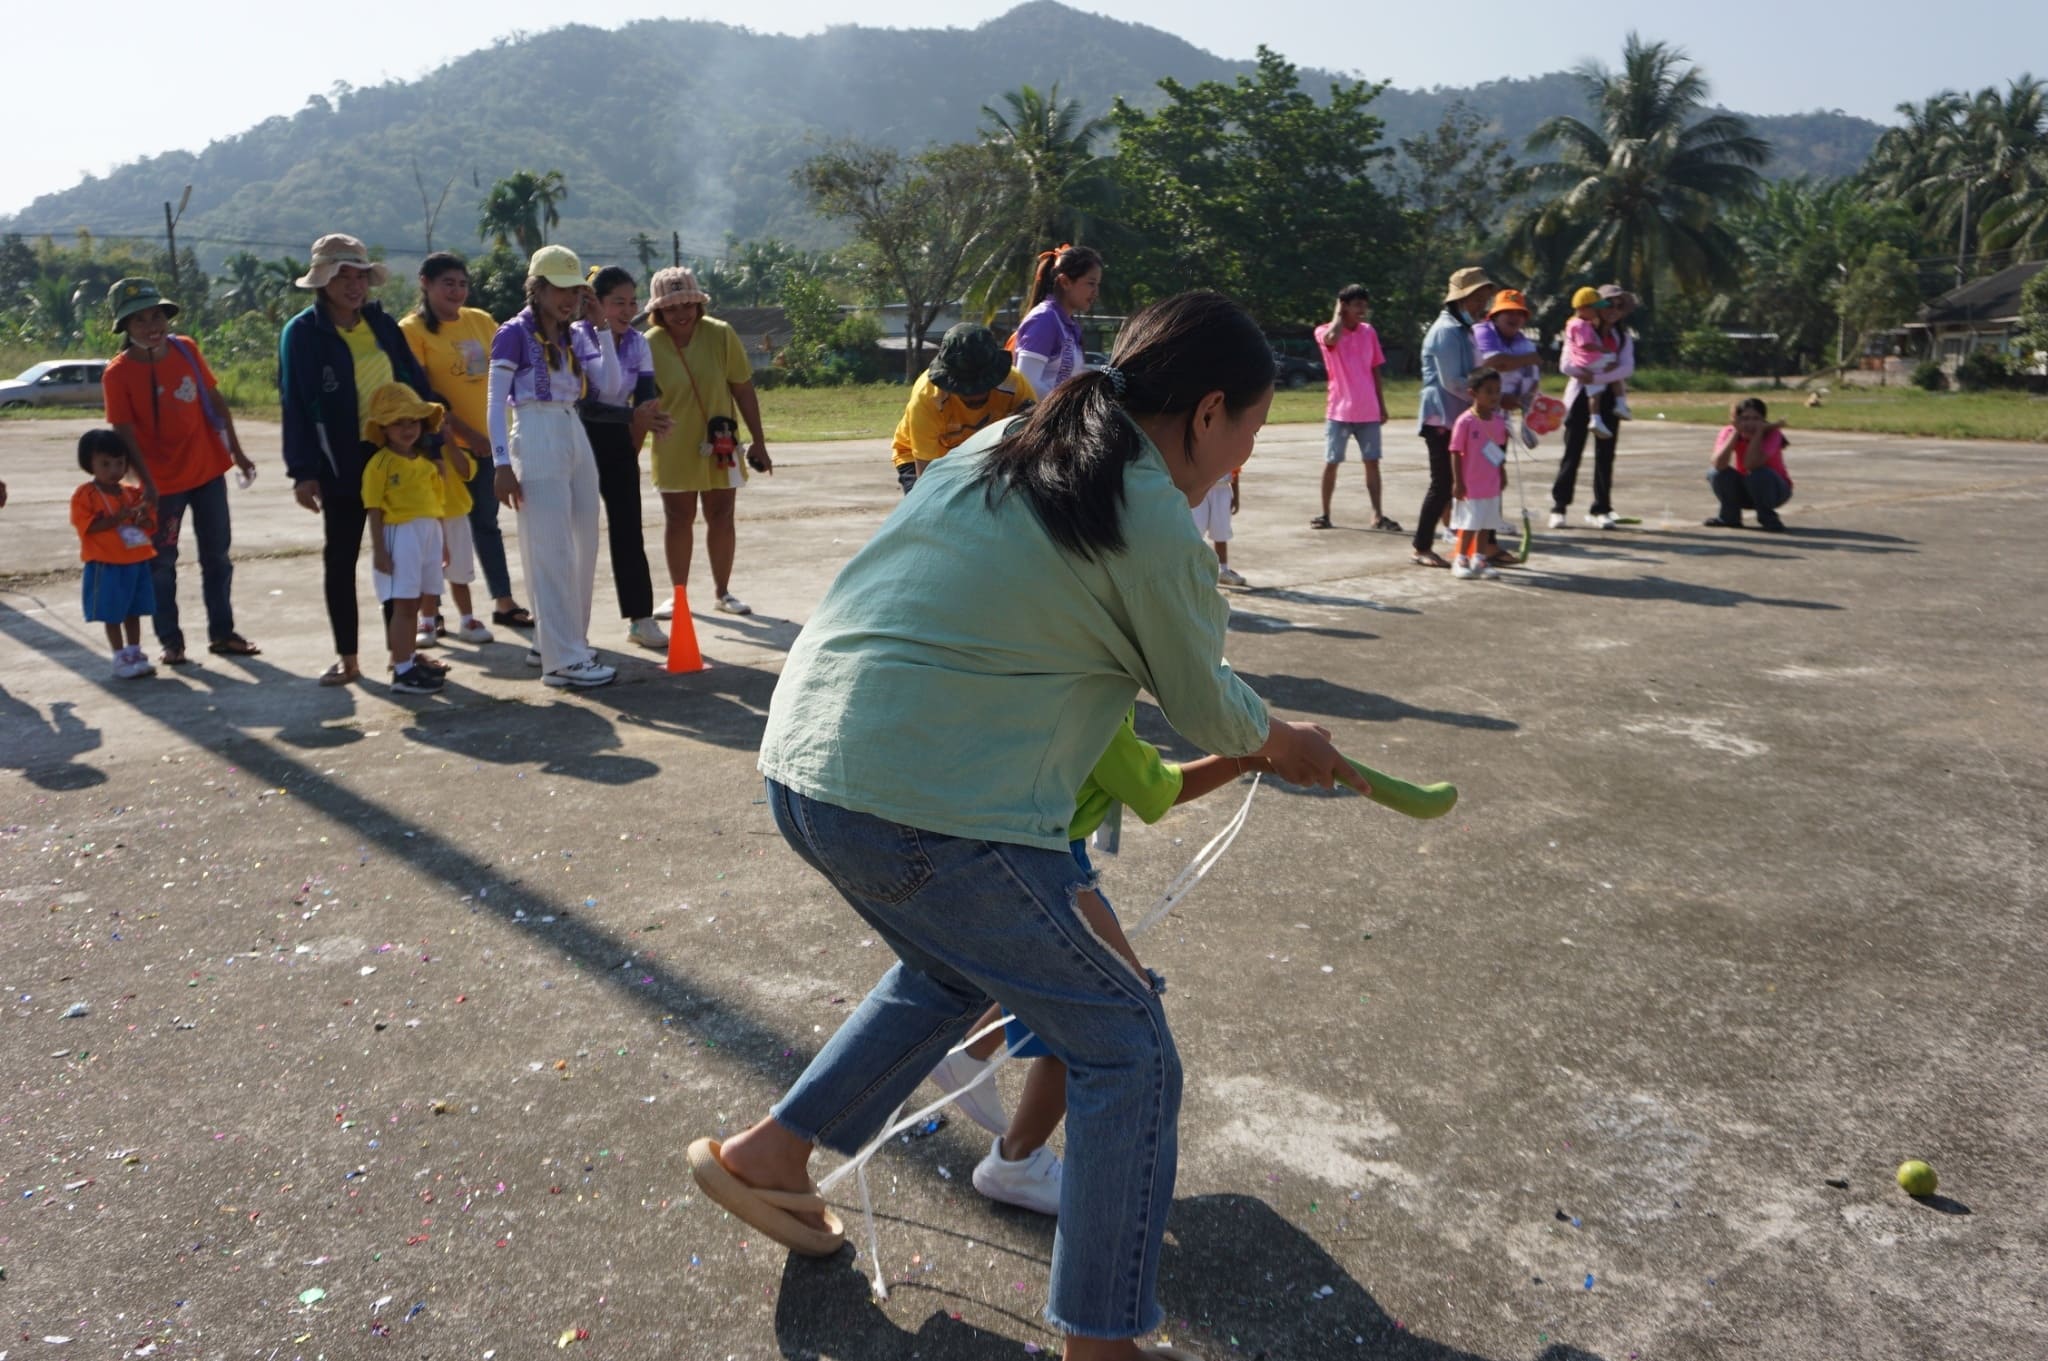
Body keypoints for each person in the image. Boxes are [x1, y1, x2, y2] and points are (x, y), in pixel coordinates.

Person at [685, 291, 1366, 1361]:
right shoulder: (1149, 515)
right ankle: (1100, 1339)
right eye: (1245, 435)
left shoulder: (1015, 436)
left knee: (954, 969)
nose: (1238, 460)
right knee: (1127, 1048)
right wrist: (1285, 742)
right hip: (922, 803)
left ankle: (771, 1152)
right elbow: (1204, 701)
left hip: (805, 766)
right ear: (1207, 413)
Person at [927, 711, 1272, 1216]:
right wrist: (1253, 755)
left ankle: (973, 1055)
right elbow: (1158, 789)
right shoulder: (1091, 692)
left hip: (1027, 841)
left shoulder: (1069, 661)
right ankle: (1016, 1159)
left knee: (1061, 977)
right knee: (1102, 1007)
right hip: (1045, 856)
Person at [281, 233, 447, 686]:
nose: (354, 286)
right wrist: (303, 471)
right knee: (342, 557)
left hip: (394, 454)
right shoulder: (302, 334)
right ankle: (348, 658)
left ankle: (403, 657)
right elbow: (295, 404)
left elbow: (413, 384)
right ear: (322, 281)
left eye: (360, 276)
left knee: (397, 560)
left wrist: (431, 442)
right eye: (343, 276)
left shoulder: (382, 325)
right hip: (340, 460)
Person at [101, 277, 260, 664]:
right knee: (161, 566)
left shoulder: (186, 349)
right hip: (161, 487)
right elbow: (123, 435)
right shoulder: (117, 374)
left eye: (157, 316)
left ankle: (223, 634)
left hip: (208, 473)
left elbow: (216, 403)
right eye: (140, 320)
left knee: (217, 558)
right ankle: (171, 642)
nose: (152, 326)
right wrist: (147, 484)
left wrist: (237, 452)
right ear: (125, 327)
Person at [487, 246, 617, 689]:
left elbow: (612, 384)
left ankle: (562, 643)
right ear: (537, 288)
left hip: (571, 427)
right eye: (558, 288)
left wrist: (600, 328)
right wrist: (501, 463)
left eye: (575, 290)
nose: (568, 299)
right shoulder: (512, 333)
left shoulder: (575, 334)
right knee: (551, 549)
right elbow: (493, 405)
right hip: (536, 428)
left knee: (584, 541)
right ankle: (562, 661)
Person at [399, 252, 530, 638]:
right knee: (437, 531)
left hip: (490, 446)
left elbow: (505, 374)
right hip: (440, 450)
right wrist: (464, 436)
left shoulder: (480, 321)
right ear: (425, 282)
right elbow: (425, 394)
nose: (456, 290)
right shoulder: (412, 330)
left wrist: (492, 436)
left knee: (486, 525)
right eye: (447, 283)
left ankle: (503, 602)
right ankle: (433, 613)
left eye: (461, 283)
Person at [643, 267, 772, 618]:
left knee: (721, 515)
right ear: (658, 312)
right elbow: (640, 401)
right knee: (677, 518)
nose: (681, 313)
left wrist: (758, 441)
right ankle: (678, 595)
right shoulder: (649, 344)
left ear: (698, 305)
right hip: (672, 444)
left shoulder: (720, 334)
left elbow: (742, 388)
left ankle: (723, 592)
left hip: (722, 444)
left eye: (687, 304)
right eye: (671, 308)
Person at [572, 265, 670, 650]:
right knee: (577, 535)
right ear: (594, 303)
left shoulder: (638, 342)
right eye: (618, 302)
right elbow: (584, 404)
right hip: (578, 437)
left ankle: (640, 618)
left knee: (629, 530)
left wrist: (650, 421)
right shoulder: (576, 338)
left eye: (632, 302)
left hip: (620, 439)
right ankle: (571, 628)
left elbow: (645, 395)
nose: (628, 310)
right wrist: (635, 415)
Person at [360, 384, 448, 695]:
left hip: (428, 534)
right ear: (383, 428)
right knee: (404, 605)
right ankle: (402, 670)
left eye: (412, 421)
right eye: (398, 422)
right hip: (401, 534)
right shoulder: (380, 464)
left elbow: (437, 507)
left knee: (421, 601)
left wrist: (443, 543)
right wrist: (380, 551)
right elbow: (373, 509)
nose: (407, 428)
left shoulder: (425, 465)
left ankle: (410, 660)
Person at [1412, 267, 1498, 568]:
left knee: (1478, 480)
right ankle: (1421, 546)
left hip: (1462, 417)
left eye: (1484, 299)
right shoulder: (1447, 331)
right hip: (1442, 419)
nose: (1481, 305)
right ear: (1460, 300)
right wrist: (1486, 401)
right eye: (1476, 299)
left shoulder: (1465, 329)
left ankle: (1484, 546)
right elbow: (1453, 381)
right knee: (1443, 483)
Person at [889, 323, 1036, 494]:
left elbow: (1032, 443)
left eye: (981, 386)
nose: (974, 395)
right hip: (923, 457)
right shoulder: (928, 398)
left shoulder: (1015, 386)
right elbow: (926, 478)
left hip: (985, 455)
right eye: (965, 388)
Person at [71, 429, 159, 680]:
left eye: (120, 463)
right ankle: (119, 656)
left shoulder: (130, 493)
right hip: (106, 562)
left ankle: (135, 652)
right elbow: (88, 527)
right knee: (112, 612)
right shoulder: (84, 496)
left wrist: (143, 518)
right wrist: (116, 519)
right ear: (90, 464)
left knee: (134, 610)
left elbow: (149, 525)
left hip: (135, 560)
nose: (114, 470)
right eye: (105, 464)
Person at [1550, 283, 1638, 530]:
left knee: (1605, 454)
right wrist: (1600, 374)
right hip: (1581, 398)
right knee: (1572, 452)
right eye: (1610, 303)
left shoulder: (1622, 337)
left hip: (1610, 398)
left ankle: (1601, 508)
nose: (1614, 309)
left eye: (1620, 306)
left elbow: (1626, 368)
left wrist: (1595, 377)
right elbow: (1566, 365)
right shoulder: (1579, 329)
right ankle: (1559, 506)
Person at [1311, 284, 1397, 531]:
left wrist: (1381, 404)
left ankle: (1377, 515)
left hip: (1368, 409)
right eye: (1357, 304)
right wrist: (1338, 315)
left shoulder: (1368, 332)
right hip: (1339, 411)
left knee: (1372, 462)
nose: (1362, 310)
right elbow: (1331, 340)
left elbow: (1375, 369)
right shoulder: (1324, 330)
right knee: (1332, 461)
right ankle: (1325, 513)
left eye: (1364, 304)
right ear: (1344, 306)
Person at [417, 396, 485, 652]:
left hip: (456, 518)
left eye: (444, 420)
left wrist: (450, 443)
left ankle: (467, 621)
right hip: (427, 520)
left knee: (460, 576)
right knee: (429, 577)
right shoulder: (417, 453)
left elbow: (466, 471)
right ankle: (427, 622)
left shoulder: (454, 449)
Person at [1011, 244, 1102, 395]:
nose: (1096, 292)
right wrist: (1066, 406)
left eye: (1098, 285)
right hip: (1037, 417)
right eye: (1091, 283)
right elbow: (1026, 383)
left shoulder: (1070, 325)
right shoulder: (1044, 319)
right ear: (1065, 282)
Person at [1449, 370, 1510, 580]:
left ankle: (1479, 559)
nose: (1495, 396)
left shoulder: (1499, 421)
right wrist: (1458, 482)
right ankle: (1461, 559)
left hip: (1490, 483)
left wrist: (1502, 472)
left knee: (1486, 523)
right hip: (1471, 483)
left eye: (1498, 391)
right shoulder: (1465, 422)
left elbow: (1499, 450)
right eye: (1489, 391)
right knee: (1469, 524)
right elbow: (1455, 451)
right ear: (1473, 393)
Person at [1705, 397, 1793, 532]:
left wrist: (1759, 433)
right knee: (1715, 473)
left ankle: (1768, 519)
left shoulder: (1773, 434)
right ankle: (1729, 517)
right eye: (1745, 418)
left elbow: (1750, 464)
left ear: (1763, 420)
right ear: (1737, 420)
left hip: (1774, 491)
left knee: (1759, 474)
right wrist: (1735, 432)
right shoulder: (1729, 431)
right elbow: (1718, 464)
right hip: (1746, 489)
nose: (1750, 423)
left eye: (1756, 418)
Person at [1562, 286, 1624, 438]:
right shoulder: (1581, 324)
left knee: (1595, 392)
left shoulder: (1573, 323)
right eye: (1595, 309)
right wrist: (1602, 349)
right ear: (1583, 308)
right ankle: (1621, 404)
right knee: (1615, 367)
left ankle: (1595, 418)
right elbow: (1585, 344)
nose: (1598, 312)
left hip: (1584, 364)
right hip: (1590, 360)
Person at [1193, 467, 1244, 586]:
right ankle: (1192, 568)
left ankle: (1223, 570)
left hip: (1222, 490)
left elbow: (1235, 470)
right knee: (1195, 530)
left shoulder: (1231, 448)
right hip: (1199, 487)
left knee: (1221, 531)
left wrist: (1236, 496)